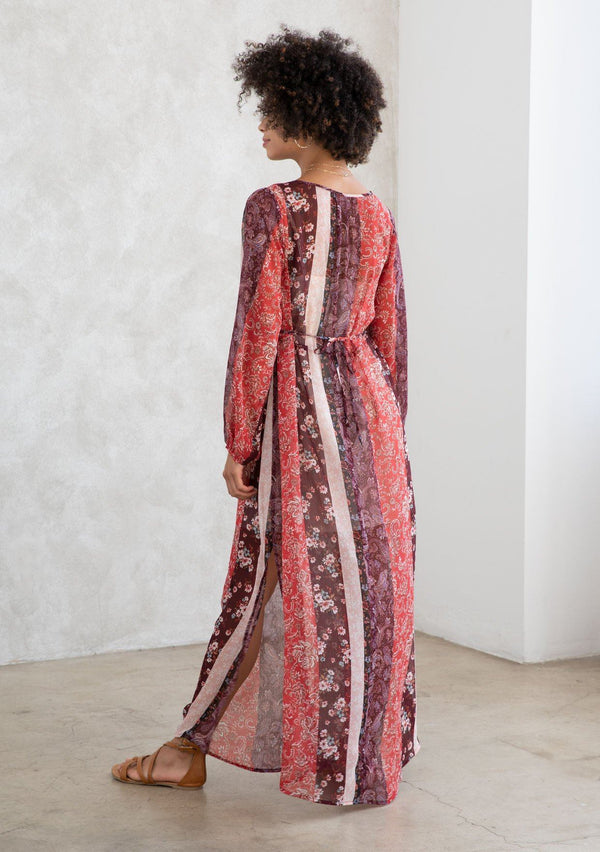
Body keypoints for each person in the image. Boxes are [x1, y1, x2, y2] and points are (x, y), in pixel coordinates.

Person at [111, 24, 419, 806]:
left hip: (303, 413)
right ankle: (359, 758)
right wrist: (390, 433)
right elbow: (392, 333)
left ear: (312, 115)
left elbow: (260, 331)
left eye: (273, 108)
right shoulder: (377, 213)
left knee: (270, 575)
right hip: (372, 414)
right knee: (365, 588)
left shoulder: (275, 208)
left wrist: (239, 441)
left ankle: (192, 747)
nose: (261, 122)